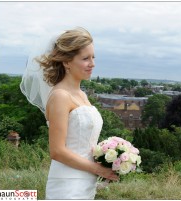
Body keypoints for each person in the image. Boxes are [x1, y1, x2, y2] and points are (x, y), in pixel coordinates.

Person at [20, 27, 119, 199]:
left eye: (93, 57)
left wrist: (110, 157)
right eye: (85, 58)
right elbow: (57, 151)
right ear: (66, 62)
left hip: (86, 182)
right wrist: (97, 169)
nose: (92, 63)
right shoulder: (60, 96)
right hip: (67, 185)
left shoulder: (82, 95)